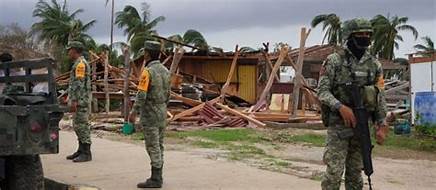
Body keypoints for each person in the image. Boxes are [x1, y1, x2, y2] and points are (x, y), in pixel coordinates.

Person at [317, 18, 389, 190]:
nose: (364, 37)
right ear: (349, 36)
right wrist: (340, 107)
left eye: (367, 34)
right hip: (339, 127)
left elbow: (379, 96)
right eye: (360, 34)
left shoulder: (374, 64)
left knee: (356, 174)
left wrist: (382, 123)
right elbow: (322, 92)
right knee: (334, 173)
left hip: (362, 126)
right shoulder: (334, 61)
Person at [129, 41, 170, 188]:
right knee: (159, 145)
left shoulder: (147, 71)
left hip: (150, 113)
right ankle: (158, 175)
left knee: (152, 146)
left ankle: (156, 178)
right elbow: (168, 94)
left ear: (147, 54)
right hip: (162, 111)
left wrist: (134, 112)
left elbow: (141, 95)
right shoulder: (166, 70)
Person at [65, 41, 92, 162]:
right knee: (77, 125)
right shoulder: (78, 63)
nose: (68, 52)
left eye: (69, 50)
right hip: (78, 99)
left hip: (81, 101)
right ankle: (81, 150)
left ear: (75, 50)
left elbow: (79, 84)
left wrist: (75, 101)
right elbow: (74, 84)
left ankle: (86, 153)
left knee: (82, 126)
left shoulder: (80, 64)